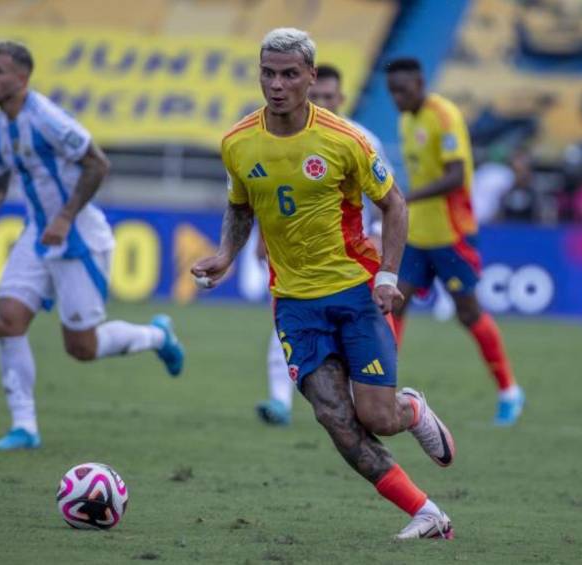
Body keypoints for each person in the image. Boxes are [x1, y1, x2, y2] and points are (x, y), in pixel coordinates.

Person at [193, 28, 455, 540]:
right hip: (294, 304)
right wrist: (226, 254)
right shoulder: (238, 143)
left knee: (376, 417)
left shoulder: (346, 140)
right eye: (268, 73)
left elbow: (395, 204)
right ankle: (426, 512)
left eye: (290, 74)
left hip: (355, 294)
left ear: (311, 77)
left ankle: (412, 408)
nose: (277, 84)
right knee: (336, 419)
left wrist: (387, 275)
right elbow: (239, 204)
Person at [0, 41, 185, 450]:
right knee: (7, 320)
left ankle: (157, 336)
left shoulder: (46, 118)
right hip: (37, 234)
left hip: (79, 236)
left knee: (82, 347)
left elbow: (98, 163)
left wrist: (65, 217)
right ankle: (24, 427)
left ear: (22, 78)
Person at [385, 57, 524, 426]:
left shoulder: (443, 116)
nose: (397, 98)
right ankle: (382, 391)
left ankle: (509, 390)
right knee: (394, 304)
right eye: (392, 92)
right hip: (417, 235)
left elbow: (457, 176)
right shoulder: (406, 119)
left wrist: (407, 198)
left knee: (468, 313)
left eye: (403, 90)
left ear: (420, 82)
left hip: (451, 234)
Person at [255, 63, 393, 426]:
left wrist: (378, 234)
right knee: (283, 328)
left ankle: (368, 406)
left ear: (342, 99)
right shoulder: (283, 136)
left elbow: (388, 199)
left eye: (329, 98)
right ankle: (279, 400)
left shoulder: (359, 139)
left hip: (346, 261)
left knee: (348, 346)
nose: (322, 104)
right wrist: (260, 236)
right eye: (317, 97)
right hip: (296, 260)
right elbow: (267, 194)